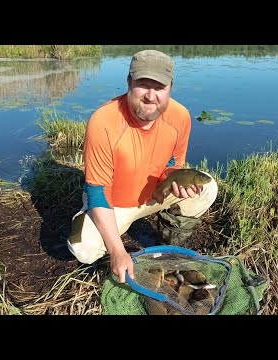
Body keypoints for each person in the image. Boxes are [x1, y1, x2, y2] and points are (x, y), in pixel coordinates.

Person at [67, 49, 218, 284]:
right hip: (113, 205)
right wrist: (118, 251)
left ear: (170, 88)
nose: (150, 96)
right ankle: (114, 233)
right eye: (143, 85)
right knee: (83, 249)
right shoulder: (103, 122)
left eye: (159, 88)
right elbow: (98, 192)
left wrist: (175, 182)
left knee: (208, 188)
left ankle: (171, 239)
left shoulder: (181, 117)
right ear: (129, 82)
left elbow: (172, 165)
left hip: (155, 195)